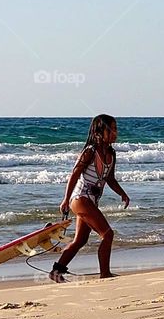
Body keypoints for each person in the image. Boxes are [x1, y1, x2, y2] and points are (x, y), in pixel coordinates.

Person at [50, 114, 130, 283]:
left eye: (116, 129)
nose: (116, 132)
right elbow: (74, 175)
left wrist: (122, 193)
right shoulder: (89, 152)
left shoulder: (111, 153)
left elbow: (110, 178)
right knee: (107, 234)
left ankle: (56, 272)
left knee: (80, 240)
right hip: (79, 199)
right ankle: (105, 273)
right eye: (112, 129)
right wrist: (65, 199)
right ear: (99, 133)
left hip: (90, 201)